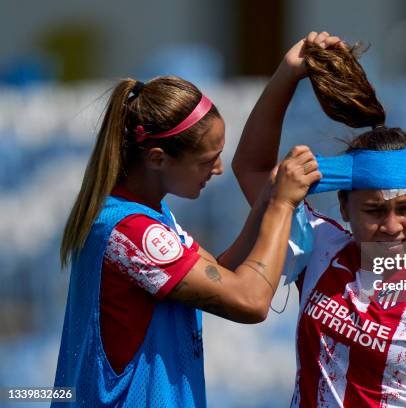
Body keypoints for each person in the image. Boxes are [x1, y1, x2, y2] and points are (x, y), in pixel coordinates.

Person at [233, 32, 406, 407]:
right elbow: (253, 169)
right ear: (343, 208)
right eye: (373, 211)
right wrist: (287, 74)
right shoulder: (317, 245)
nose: (391, 226)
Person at [53, 76, 321, 406]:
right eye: (208, 159)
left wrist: (267, 199)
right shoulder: (133, 232)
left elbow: (219, 272)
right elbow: (250, 300)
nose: (219, 168)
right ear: (157, 159)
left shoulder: (149, 213)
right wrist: (283, 205)